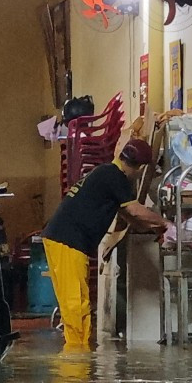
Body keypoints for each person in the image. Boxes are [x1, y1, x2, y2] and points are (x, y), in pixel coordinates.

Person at [42, 137, 166, 348]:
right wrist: (167, 224)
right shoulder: (115, 177)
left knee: (78, 303)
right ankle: (75, 362)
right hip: (67, 240)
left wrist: (153, 227)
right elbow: (134, 210)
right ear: (140, 168)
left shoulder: (106, 173)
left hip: (64, 239)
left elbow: (129, 215)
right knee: (75, 305)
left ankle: (79, 355)